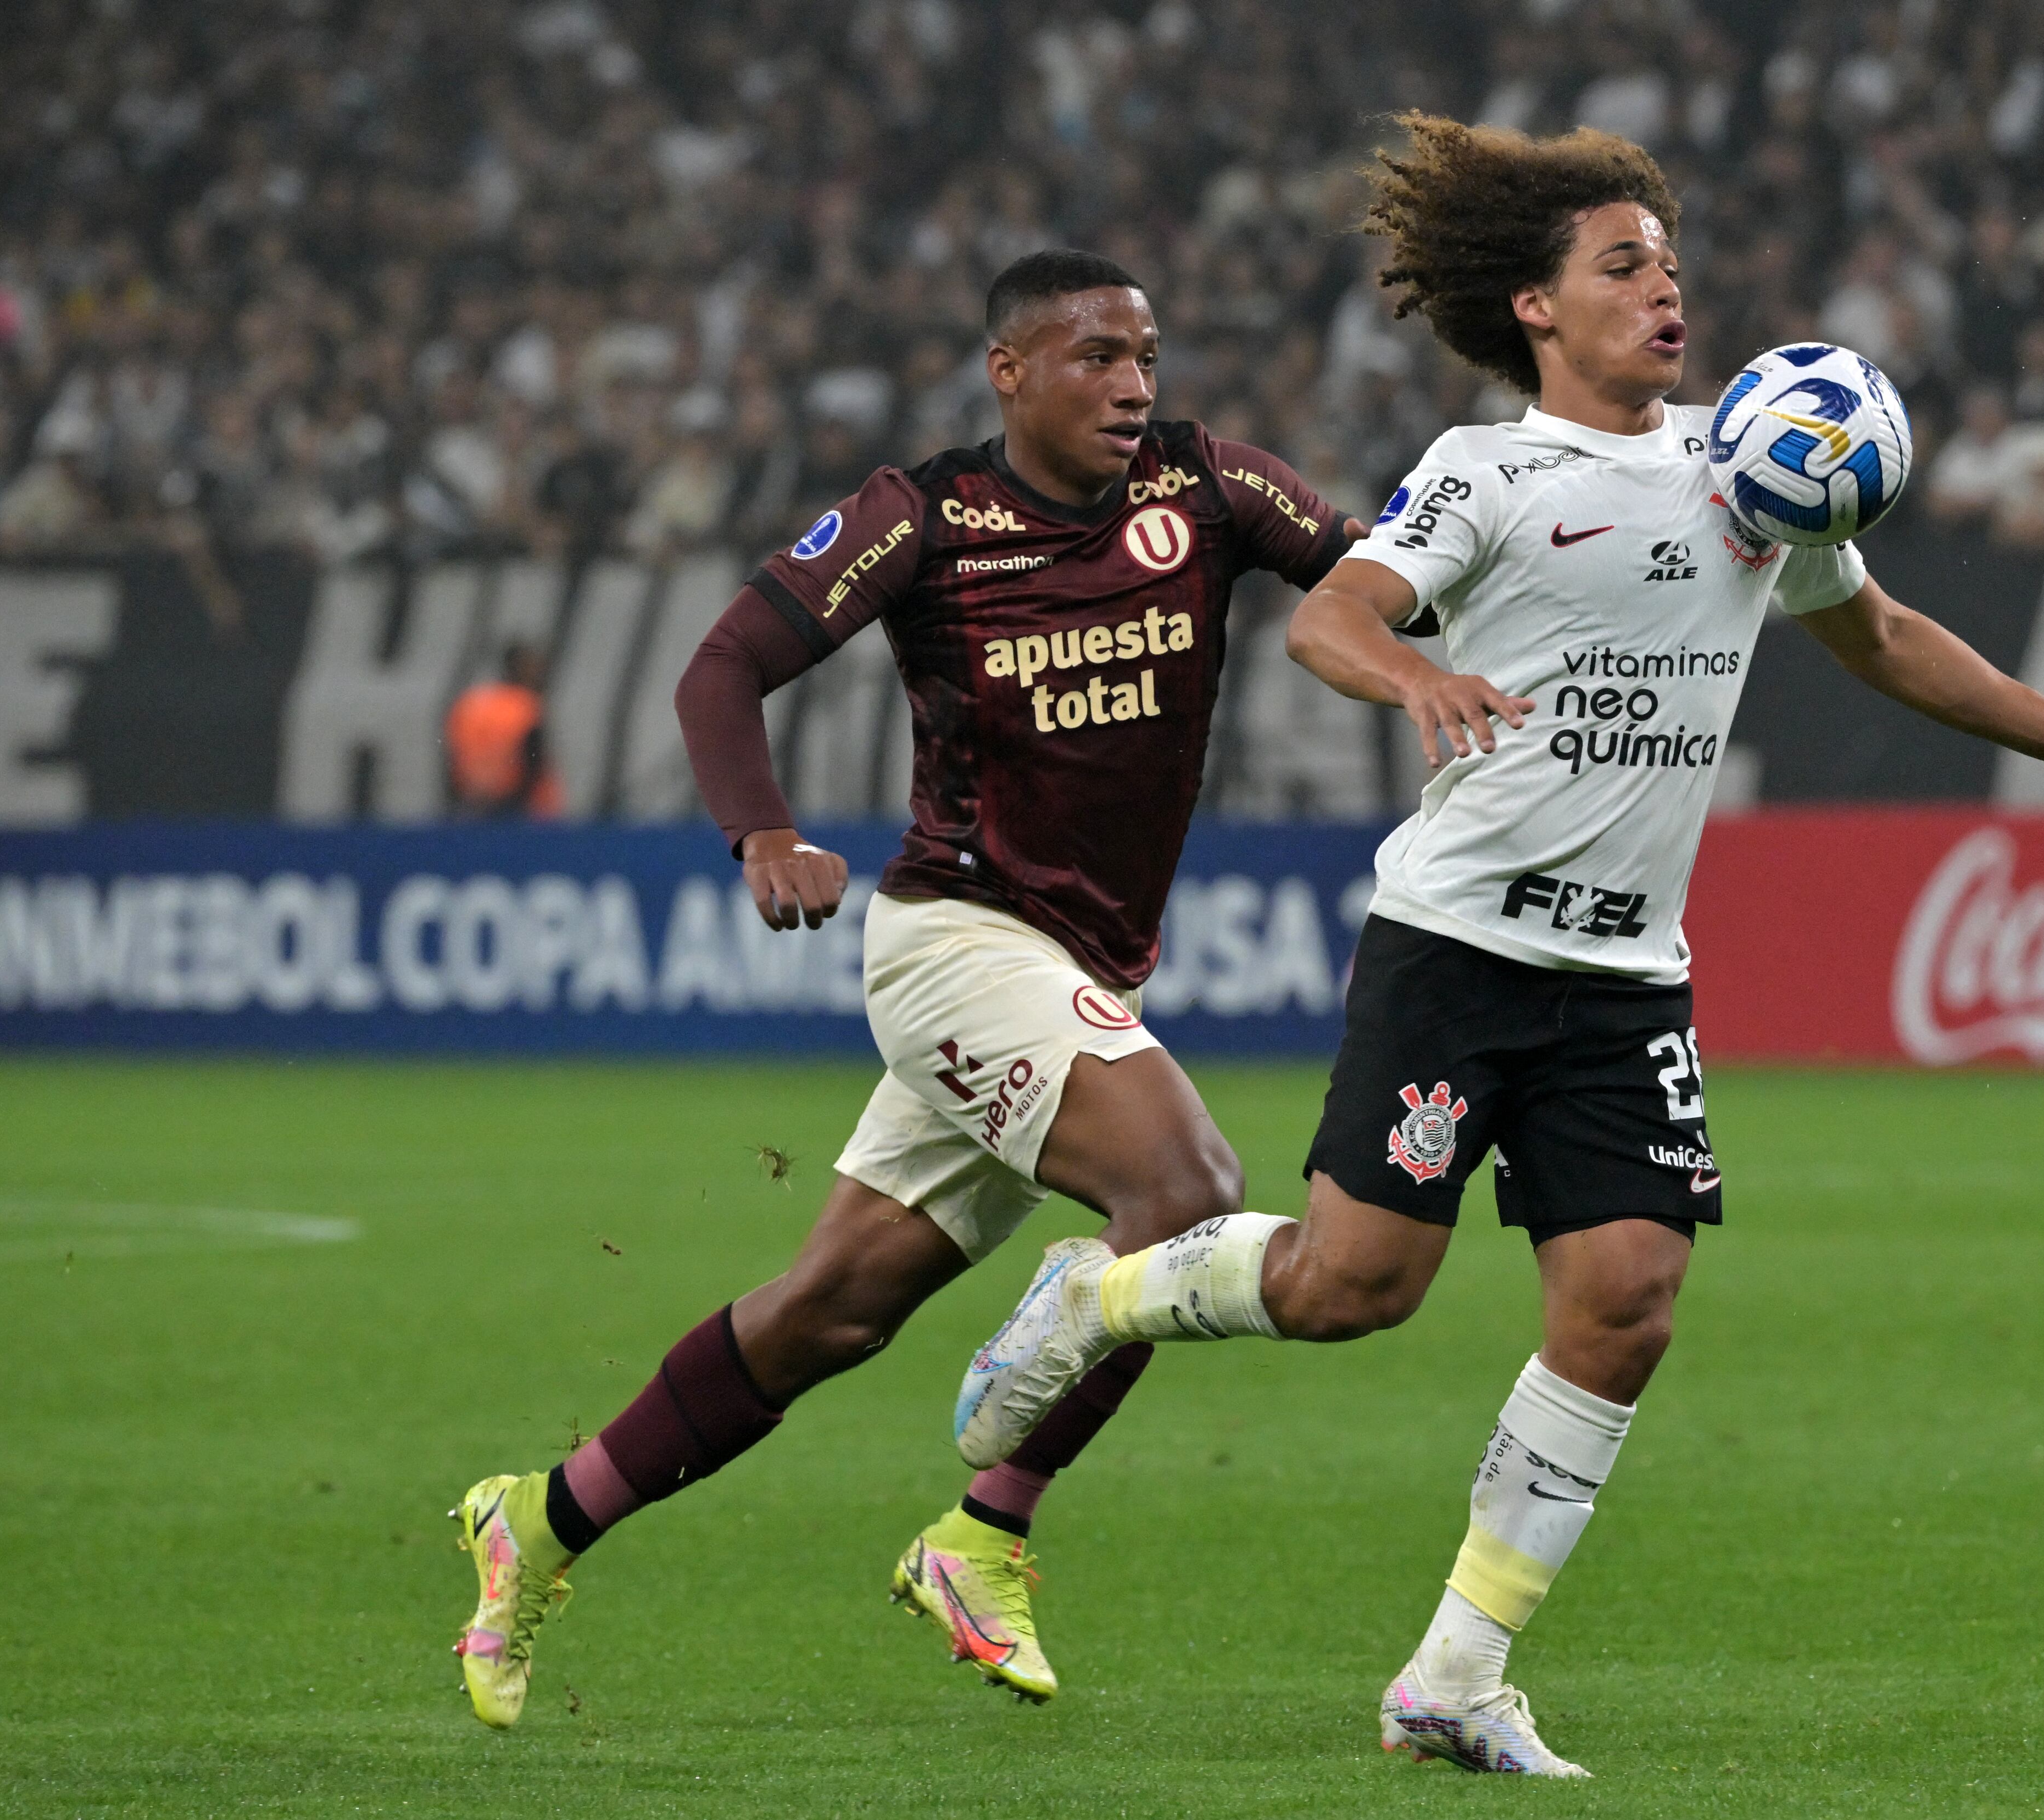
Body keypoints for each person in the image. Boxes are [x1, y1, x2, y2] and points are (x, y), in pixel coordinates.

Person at [949, 116, 2044, 1777]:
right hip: (1458, 947)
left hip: (1626, 975)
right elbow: (1336, 614)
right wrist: (1418, 679)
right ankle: (1095, 1299)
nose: (1662, 290)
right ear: (1538, 308)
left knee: (1625, 1296)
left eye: (1670, 265)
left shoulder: (1756, 466)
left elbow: (1884, 635)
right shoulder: (1490, 474)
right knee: (1352, 1290)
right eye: (1621, 266)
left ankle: (1455, 1676)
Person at [444, 249, 1358, 1727]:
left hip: (1077, 964)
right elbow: (722, 667)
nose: (1133, 385)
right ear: (1009, 372)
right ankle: (984, 1529)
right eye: (1094, 357)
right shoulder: (924, 517)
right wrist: (764, 831)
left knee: (830, 1315)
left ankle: (537, 1522)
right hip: (956, 942)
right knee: (1185, 1191)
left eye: (1146, 355)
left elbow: (1382, 575)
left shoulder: (1212, 490)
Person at [444, 642, 562, 818]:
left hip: (471, 804)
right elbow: (532, 761)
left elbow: (452, 756)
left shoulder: (470, 704)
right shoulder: (525, 707)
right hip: (518, 807)